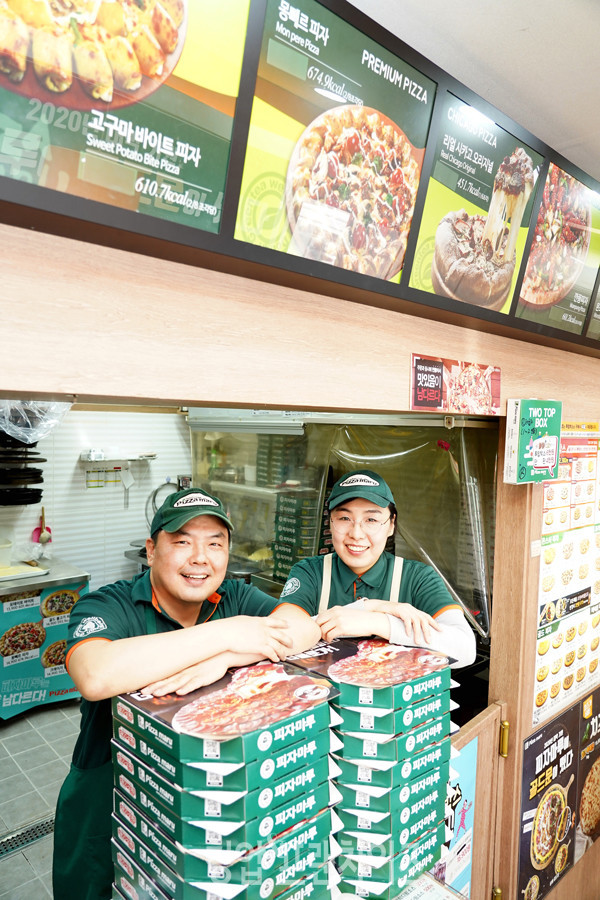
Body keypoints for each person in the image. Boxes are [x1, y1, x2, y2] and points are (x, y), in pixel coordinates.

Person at [53, 487, 320, 900]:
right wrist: (228, 633)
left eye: (215, 544)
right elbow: (95, 674)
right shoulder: (109, 605)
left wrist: (227, 655)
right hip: (111, 799)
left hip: (210, 797)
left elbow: (306, 630)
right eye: (182, 542)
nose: (200, 558)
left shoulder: (236, 597)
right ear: (151, 549)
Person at [279, 469, 476, 667]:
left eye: (371, 520)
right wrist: (368, 606)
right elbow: (280, 638)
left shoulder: (418, 578)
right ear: (330, 523)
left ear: (391, 525)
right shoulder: (310, 573)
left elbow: (465, 649)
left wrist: (377, 622)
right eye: (344, 518)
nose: (356, 534)